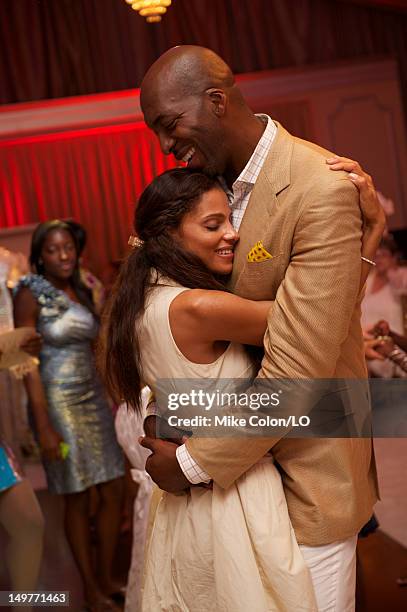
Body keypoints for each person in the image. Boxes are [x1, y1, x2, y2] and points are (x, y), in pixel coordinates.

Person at [135, 45, 381, 610]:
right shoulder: (202, 189)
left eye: (169, 125)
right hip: (232, 497)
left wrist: (191, 464)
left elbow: (302, 363)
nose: (165, 146)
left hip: (304, 484)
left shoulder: (318, 186)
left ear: (217, 101)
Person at [13, 220, 125, 612]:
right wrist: (42, 424)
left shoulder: (81, 286)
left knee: (114, 489)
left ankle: (107, 573)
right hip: (56, 404)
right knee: (77, 496)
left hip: (93, 398)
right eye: (53, 250)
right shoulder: (30, 293)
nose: (63, 256)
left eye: (68, 248)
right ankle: (91, 588)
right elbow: (25, 359)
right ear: (39, 256)